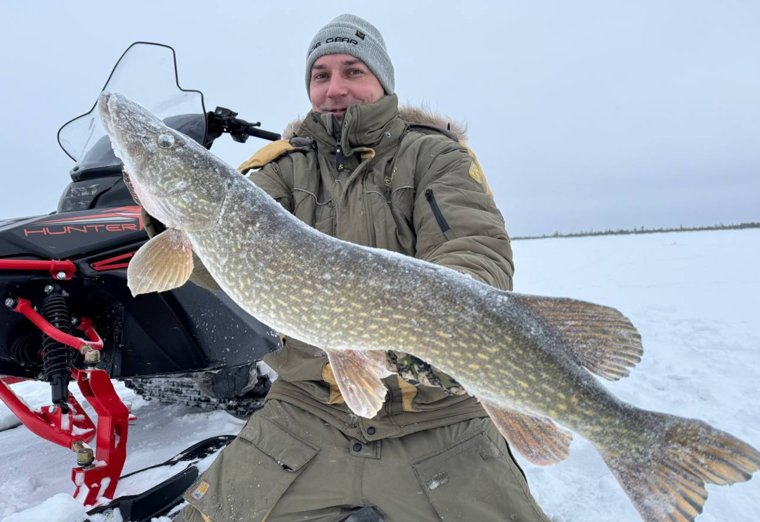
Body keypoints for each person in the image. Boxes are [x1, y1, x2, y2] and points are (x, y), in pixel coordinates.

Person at [177, 14, 548, 522]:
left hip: (438, 415)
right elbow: (218, 258)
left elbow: (474, 245)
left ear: (382, 80)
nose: (335, 89)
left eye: (352, 71)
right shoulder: (281, 168)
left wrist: (439, 326)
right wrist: (168, 218)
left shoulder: (434, 155)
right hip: (307, 412)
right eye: (320, 75)